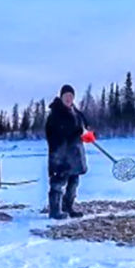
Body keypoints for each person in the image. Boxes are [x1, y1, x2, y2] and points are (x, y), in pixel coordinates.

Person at [45, 84, 94, 219]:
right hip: (60, 154)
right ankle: (55, 210)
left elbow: (84, 125)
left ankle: (68, 207)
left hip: (75, 154)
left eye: (71, 96)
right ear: (61, 97)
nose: (69, 98)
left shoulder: (76, 113)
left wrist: (88, 133)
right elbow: (57, 133)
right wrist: (77, 133)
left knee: (73, 182)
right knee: (58, 182)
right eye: (66, 96)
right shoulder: (56, 114)